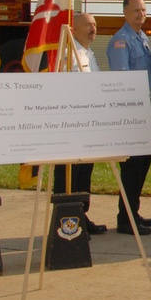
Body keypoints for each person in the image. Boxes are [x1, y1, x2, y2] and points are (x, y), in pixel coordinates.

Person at [107, 0, 151, 236]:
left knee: (143, 164)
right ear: (125, 13)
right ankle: (125, 219)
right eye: (136, 10)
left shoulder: (142, 37)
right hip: (133, 111)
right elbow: (122, 80)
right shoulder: (121, 41)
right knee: (132, 166)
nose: (140, 14)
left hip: (147, 107)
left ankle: (132, 211)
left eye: (143, 10)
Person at [52, 12, 106, 235]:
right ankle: (66, 220)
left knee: (84, 173)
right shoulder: (68, 55)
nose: (93, 28)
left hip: (89, 127)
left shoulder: (89, 53)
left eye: (94, 24)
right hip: (72, 128)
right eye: (87, 25)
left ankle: (81, 215)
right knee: (69, 176)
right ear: (73, 29)